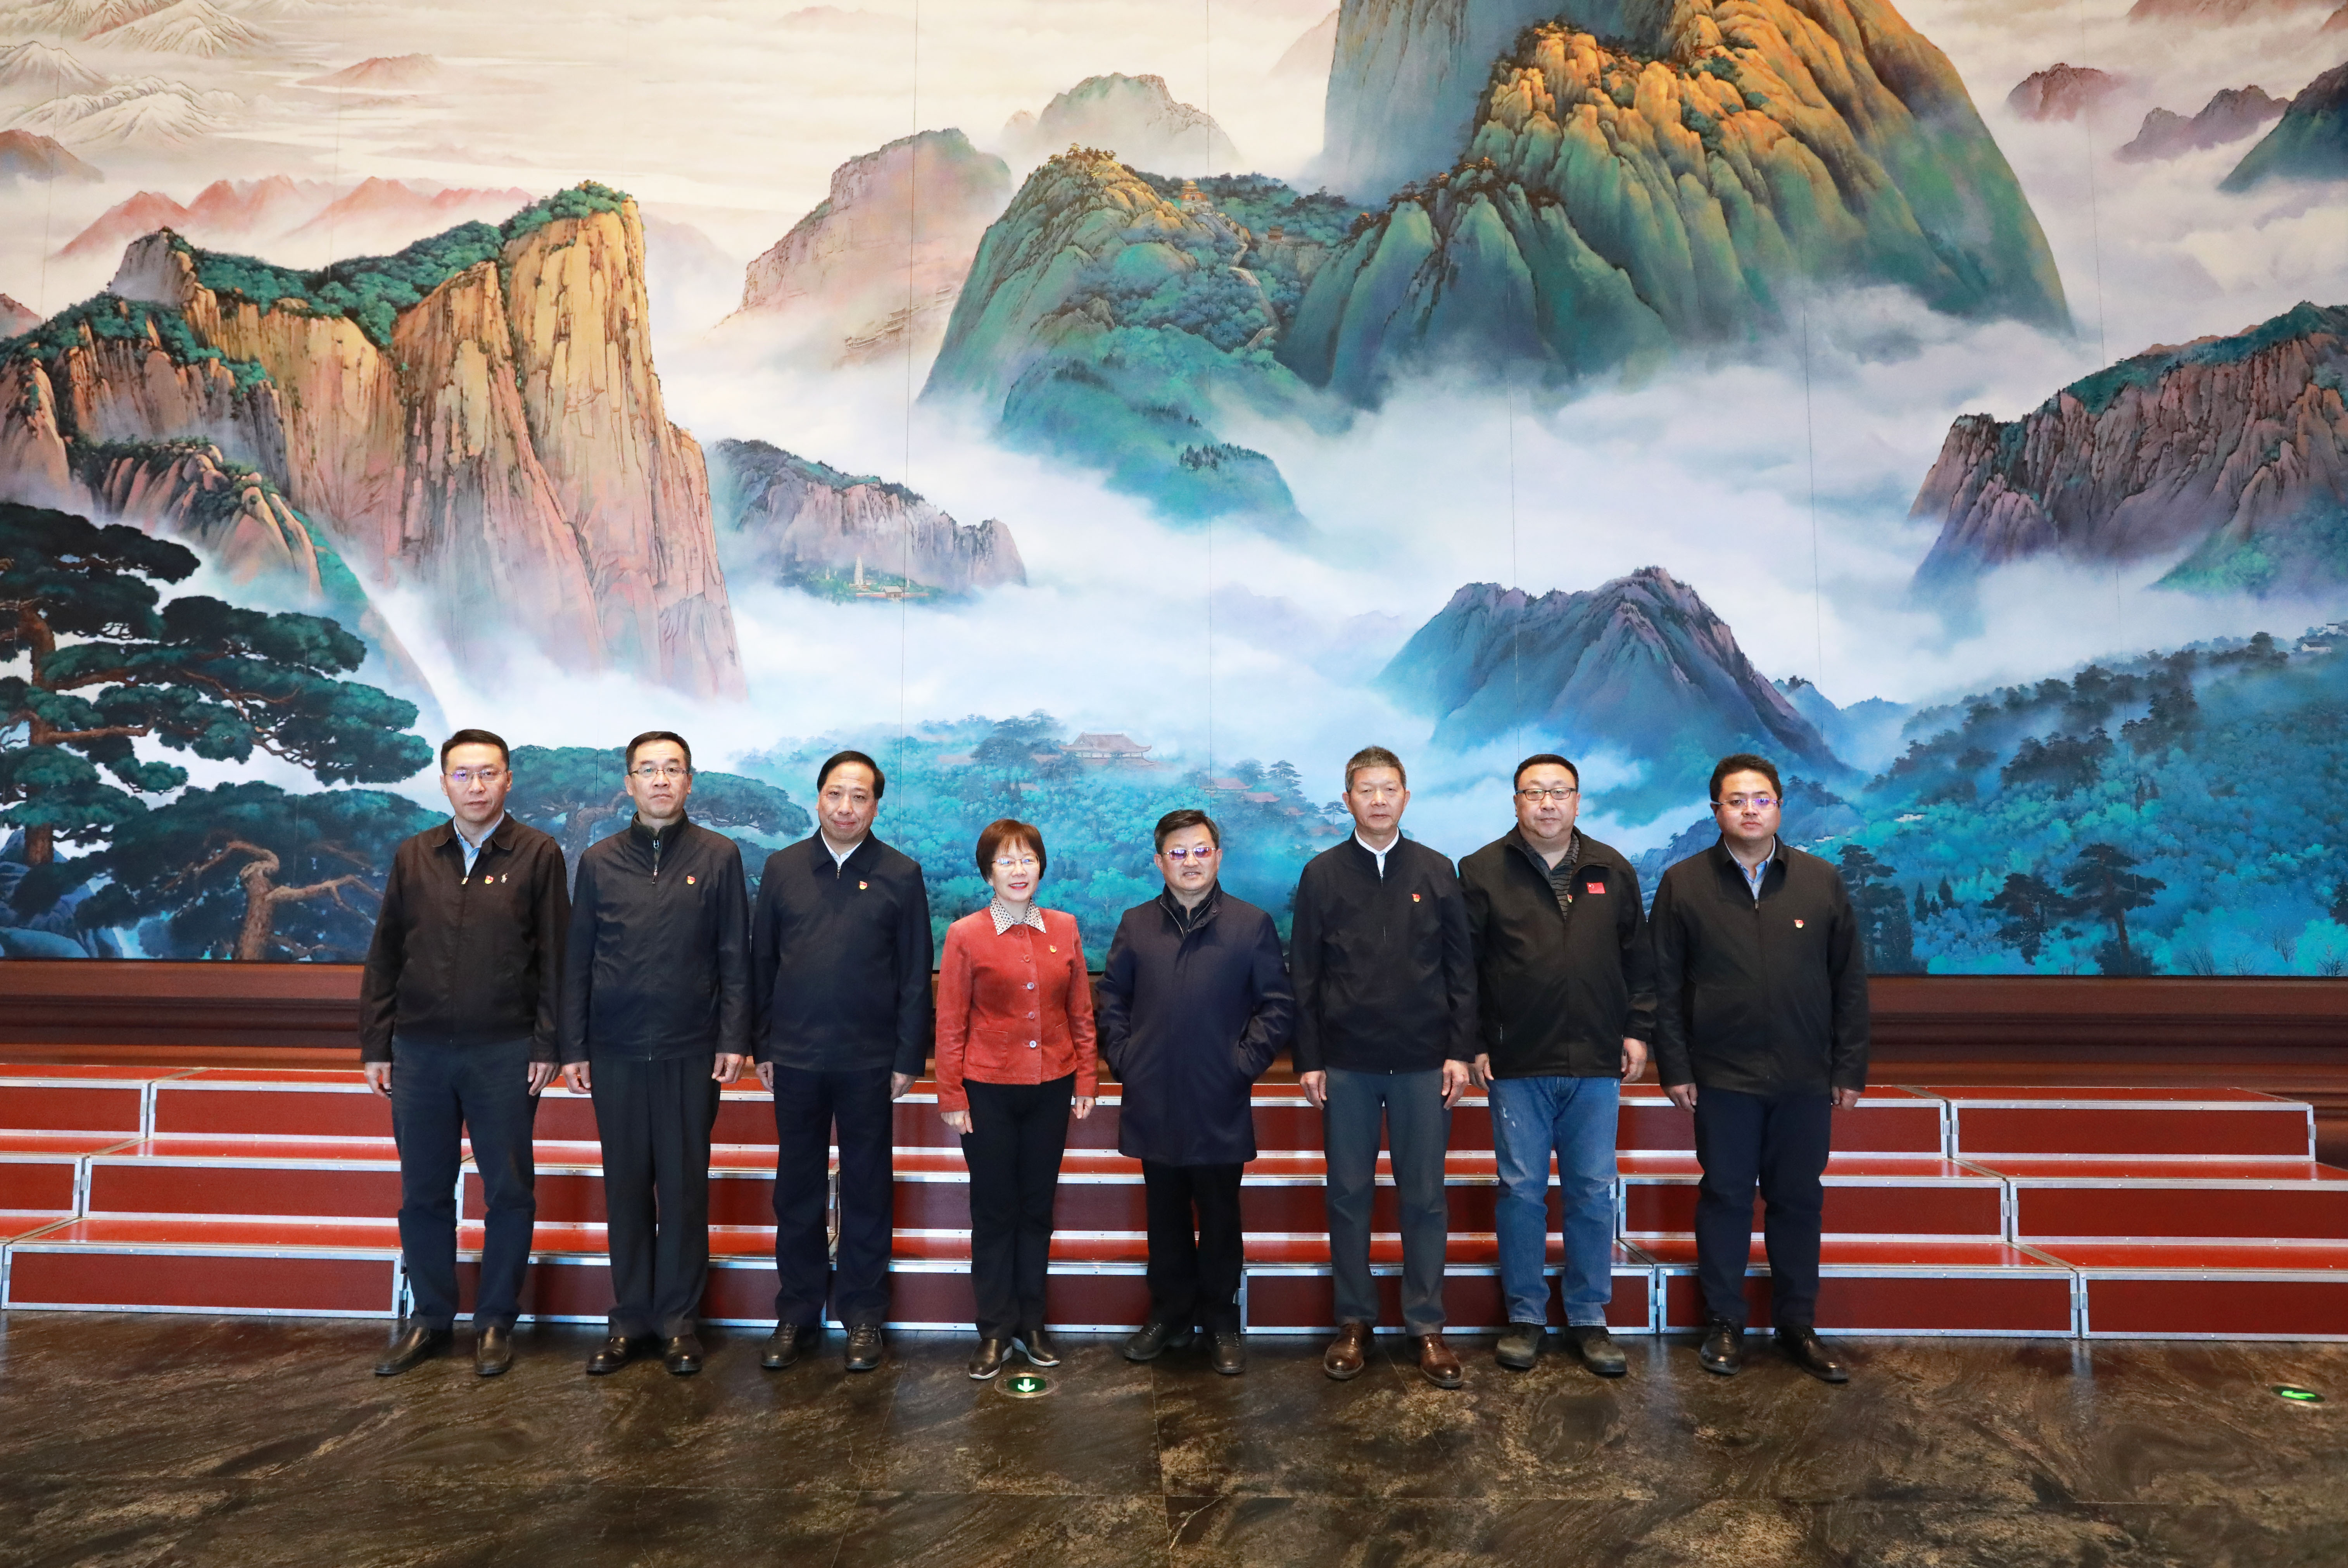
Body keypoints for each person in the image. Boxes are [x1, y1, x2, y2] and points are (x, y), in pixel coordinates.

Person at [1651, 752, 1869, 1384]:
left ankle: (1798, 1323)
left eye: (1762, 799)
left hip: (1805, 1076)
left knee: (1797, 1199)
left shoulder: (1820, 880)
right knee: (1725, 1197)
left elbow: (1849, 982)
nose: (1750, 810)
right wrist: (1676, 1066)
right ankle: (1724, 1322)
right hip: (1722, 1076)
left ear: (1780, 806)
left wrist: (1848, 1067)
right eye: (1736, 800)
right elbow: (1664, 985)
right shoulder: (1684, 883)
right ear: (1716, 810)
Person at [361, 729, 569, 1377]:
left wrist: (548, 1042)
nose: (476, 786)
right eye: (462, 774)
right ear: (444, 782)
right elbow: (386, 953)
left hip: (505, 1049)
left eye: (488, 774)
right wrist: (377, 1042)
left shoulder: (538, 852)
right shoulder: (415, 854)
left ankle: (496, 1321)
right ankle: (430, 1319)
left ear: (508, 780)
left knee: (508, 1190)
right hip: (419, 1050)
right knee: (423, 1190)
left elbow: (556, 958)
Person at [559, 731, 750, 1377]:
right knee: (626, 1189)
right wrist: (574, 1045)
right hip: (613, 1049)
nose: (661, 780)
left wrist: (733, 1037)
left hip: (690, 1049)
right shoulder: (599, 860)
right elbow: (578, 958)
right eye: (648, 770)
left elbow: (735, 955)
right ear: (629, 783)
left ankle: (678, 1321)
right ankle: (630, 1320)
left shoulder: (719, 856)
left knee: (684, 1188)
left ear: (690, 781)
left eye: (673, 769)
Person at [1458, 754, 1655, 1378]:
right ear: (1516, 801)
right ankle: (1525, 1314)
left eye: (1559, 791)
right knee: (1521, 1189)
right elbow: (1465, 969)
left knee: (1592, 1189)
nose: (1547, 803)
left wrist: (1637, 1030)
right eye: (1534, 792)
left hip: (1596, 1057)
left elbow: (1639, 961)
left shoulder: (1611, 868)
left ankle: (1589, 1316)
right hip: (1516, 1060)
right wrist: (1476, 1042)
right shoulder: (1482, 870)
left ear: (1578, 800)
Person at [1290, 746, 1477, 1388]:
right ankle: (1354, 1321)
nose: (1377, 799)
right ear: (1347, 799)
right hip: (1347, 1062)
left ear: (1405, 796)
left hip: (1424, 1062)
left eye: (1388, 788)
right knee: (1348, 1195)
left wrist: (1459, 1049)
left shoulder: (1436, 869)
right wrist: (1310, 1058)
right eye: (1365, 789)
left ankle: (1426, 1325)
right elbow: (1305, 975)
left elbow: (1462, 969)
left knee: (1424, 1197)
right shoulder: (1322, 874)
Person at [751, 749, 933, 1374]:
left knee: (867, 1186)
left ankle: (862, 1313)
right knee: (796, 1188)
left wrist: (908, 1056)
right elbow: (762, 962)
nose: (846, 806)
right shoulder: (783, 867)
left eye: (860, 796)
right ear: (818, 798)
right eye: (836, 793)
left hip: (869, 1060)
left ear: (876, 805)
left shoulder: (901, 873)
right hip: (795, 1056)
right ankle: (798, 1311)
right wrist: (763, 1044)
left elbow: (915, 974)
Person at [1097, 809, 1294, 1376]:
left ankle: (1221, 1319)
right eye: (1178, 852)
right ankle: (1170, 1315)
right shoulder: (1137, 924)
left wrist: (1242, 1064)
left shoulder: (1250, 924)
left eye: (1201, 850)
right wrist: (1127, 1058)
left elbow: (1277, 1005)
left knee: (1220, 1214)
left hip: (1218, 1096)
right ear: (1159, 862)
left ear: (1218, 856)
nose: (1190, 861)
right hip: (1153, 1094)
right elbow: (1112, 1000)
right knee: (1164, 1215)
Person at [933, 818, 1098, 1380]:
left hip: (1052, 1086)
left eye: (1027, 858)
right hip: (987, 1092)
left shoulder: (1064, 927)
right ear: (988, 873)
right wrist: (951, 1091)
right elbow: (951, 1019)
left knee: (1036, 1208)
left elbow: (1080, 1011)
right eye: (1006, 860)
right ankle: (994, 1329)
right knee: (994, 1210)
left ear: (1041, 866)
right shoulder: (966, 934)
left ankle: (1032, 1323)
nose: (1018, 869)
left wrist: (1086, 1078)